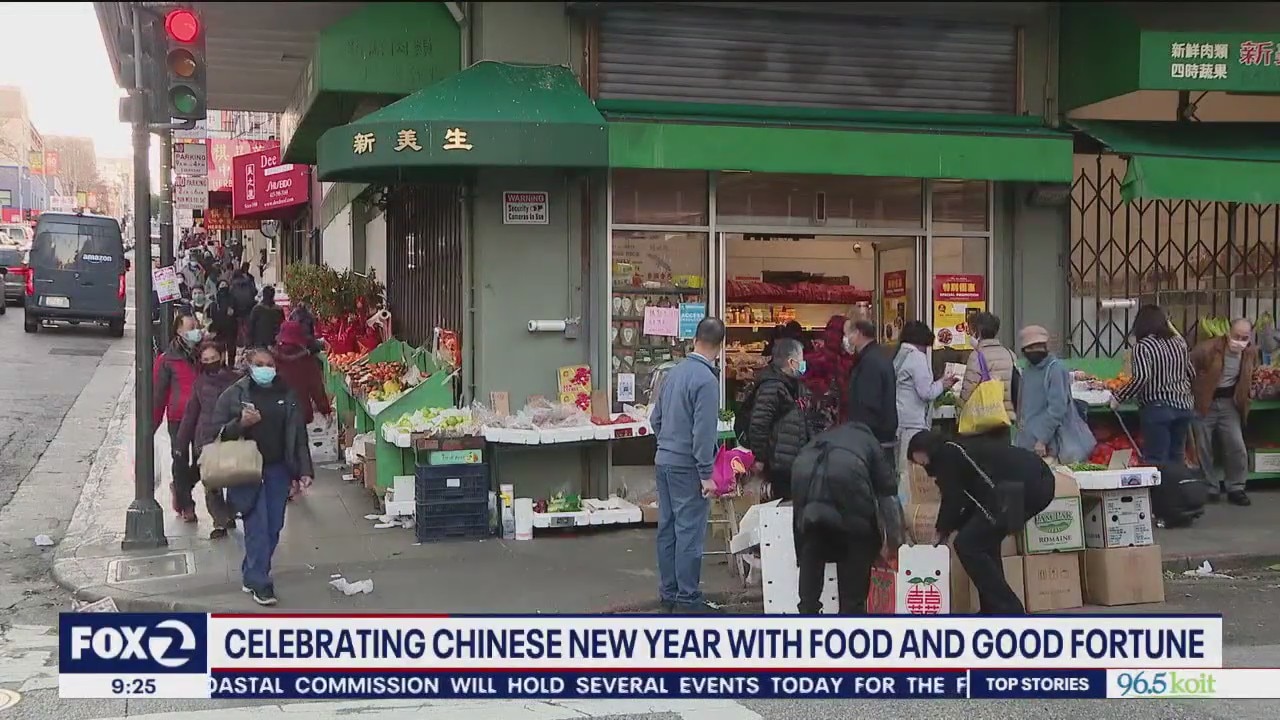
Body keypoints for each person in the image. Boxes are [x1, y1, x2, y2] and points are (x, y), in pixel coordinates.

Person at [907, 431, 1054, 614]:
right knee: (984, 541)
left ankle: (1010, 611)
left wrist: (940, 531)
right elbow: (970, 501)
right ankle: (992, 609)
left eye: (916, 459)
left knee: (967, 544)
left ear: (922, 449)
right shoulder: (957, 450)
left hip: (1021, 487)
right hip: (1032, 482)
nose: (918, 465)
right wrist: (950, 528)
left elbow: (953, 498)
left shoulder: (947, 454)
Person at [212, 348, 315, 606]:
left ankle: (250, 571)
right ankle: (261, 582)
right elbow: (215, 431)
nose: (265, 368)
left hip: (278, 469)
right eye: (259, 364)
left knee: (273, 527)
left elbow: (298, 434)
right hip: (246, 469)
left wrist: (304, 470)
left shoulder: (286, 394)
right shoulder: (234, 395)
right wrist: (240, 425)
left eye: (269, 363)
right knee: (256, 527)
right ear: (248, 365)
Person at [649, 316, 725, 613]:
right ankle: (688, 599)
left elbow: (655, 419)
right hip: (687, 466)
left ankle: (669, 593)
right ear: (719, 348)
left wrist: (667, 444)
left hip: (664, 460)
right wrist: (707, 473)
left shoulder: (674, 373)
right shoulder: (706, 380)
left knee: (667, 529)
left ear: (695, 339)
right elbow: (703, 432)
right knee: (689, 532)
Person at [791, 421, 902, 614]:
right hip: (848, 477)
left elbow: (798, 514)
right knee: (857, 544)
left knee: (813, 540)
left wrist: (800, 551)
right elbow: (887, 495)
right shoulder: (870, 442)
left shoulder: (826, 437)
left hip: (803, 467)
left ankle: (807, 613)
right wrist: (894, 543)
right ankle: (851, 618)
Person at [1112, 305, 1195, 465]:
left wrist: (1119, 397)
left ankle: (1160, 490)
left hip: (1158, 408)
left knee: (1157, 459)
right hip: (1184, 407)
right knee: (1176, 456)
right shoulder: (1179, 343)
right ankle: (1176, 487)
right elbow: (1191, 373)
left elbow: (1142, 377)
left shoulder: (1143, 347)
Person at [175, 341, 242, 538]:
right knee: (212, 485)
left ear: (221, 357)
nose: (210, 362)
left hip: (231, 437)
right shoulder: (200, 383)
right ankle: (220, 521)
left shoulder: (236, 380)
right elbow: (190, 415)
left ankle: (228, 512)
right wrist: (181, 443)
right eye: (206, 360)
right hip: (206, 439)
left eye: (213, 358)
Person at [1190, 318, 1258, 506]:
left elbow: (1251, 374)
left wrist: (1248, 394)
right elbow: (1188, 368)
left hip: (1230, 403)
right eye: (1236, 336)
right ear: (1228, 333)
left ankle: (1236, 487)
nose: (1240, 341)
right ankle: (1210, 487)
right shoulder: (1207, 349)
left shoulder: (1250, 352)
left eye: (1244, 337)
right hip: (1205, 402)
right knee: (1203, 446)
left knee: (1236, 445)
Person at [893, 321, 958, 499]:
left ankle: (900, 507)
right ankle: (909, 508)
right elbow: (926, 392)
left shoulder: (900, 355)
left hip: (900, 420)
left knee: (900, 470)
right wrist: (943, 384)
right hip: (914, 423)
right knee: (911, 472)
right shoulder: (917, 358)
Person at [1014, 325, 1096, 464]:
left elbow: (1057, 409)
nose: (1034, 351)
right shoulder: (1027, 371)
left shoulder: (1055, 369)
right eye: (1030, 347)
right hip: (1028, 443)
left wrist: (1042, 439)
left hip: (1049, 447)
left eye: (1038, 346)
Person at [746, 338, 813, 501]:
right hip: (778, 463)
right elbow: (759, 425)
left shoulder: (791, 384)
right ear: (791, 362)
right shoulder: (772, 386)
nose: (803, 363)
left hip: (791, 459)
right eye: (801, 359)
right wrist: (760, 458)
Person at [153, 314, 202, 522]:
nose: (195, 331)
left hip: (202, 416)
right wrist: (151, 424)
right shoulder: (167, 360)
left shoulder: (204, 354)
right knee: (180, 459)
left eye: (196, 326)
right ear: (179, 332)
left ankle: (181, 487)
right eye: (190, 327)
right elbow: (158, 394)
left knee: (202, 460)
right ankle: (186, 504)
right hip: (178, 417)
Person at [844, 318, 898, 464]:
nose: (846, 338)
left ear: (858, 333)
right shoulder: (875, 356)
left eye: (848, 333)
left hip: (873, 439)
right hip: (877, 437)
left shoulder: (869, 362)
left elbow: (867, 403)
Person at [959, 311, 1019, 436]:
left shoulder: (977, 356)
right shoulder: (1009, 354)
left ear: (978, 332)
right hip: (1004, 419)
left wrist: (959, 408)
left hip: (983, 420)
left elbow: (968, 390)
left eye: (971, 330)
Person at [274, 320, 333, 426]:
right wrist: (325, 410)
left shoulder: (272, 357)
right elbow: (316, 387)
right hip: (301, 412)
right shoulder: (306, 360)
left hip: (277, 413)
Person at [803, 315, 854, 428]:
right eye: (847, 332)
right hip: (822, 425)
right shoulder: (814, 361)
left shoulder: (852, 361)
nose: (851, 337)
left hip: (846, 423)